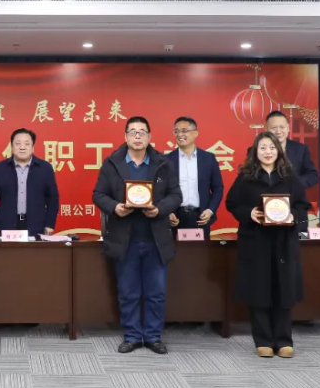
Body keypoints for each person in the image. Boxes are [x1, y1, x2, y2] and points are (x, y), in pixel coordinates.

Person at [93, 117, 182, 355]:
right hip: (125, 239)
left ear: (150, 137)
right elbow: (98, 194)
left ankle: (153, 336)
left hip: (156, 240)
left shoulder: (163, 163)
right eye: (132, 132)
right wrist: (115, 207)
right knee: (128, 292)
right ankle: (132, 336)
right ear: (125, 137)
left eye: (142, 131)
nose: (137, 136)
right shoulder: (111, 163)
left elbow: (176, 195)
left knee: (156, 293)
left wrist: (159, 209)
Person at [225, 132, 311, 359]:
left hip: (284, 242)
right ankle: (262, 340)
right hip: (256, 241)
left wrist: (293, 216)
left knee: (284, 290)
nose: (267, 152)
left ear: (278, 150)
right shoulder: (246, 177)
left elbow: (302, 206)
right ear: (256, 151)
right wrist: (248, 213)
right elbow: (231, 203)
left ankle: (284, 340)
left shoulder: (290, 176)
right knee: (258, 290)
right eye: (263, 148)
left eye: (271, 148)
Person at [0, 128, 60, 237]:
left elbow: (53, 199)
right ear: (12, 146)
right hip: (7, 225)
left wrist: (50, 224)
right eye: (18, 143)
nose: (22, 147)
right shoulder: (0, 168)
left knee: (35, 249)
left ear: (33, 147)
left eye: (27, 144)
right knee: (7, 249)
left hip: (36, 225)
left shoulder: (45, 168)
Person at [164, 116, 224, 240]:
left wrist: (210, 210)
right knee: (176, 252)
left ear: (195, 133)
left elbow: (218, 188)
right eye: (176, 131)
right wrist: (168, 212)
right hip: (176, 217)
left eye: (184, 131)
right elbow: (161, 191)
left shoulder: (208, 159)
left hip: (201, 217)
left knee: (201, 252)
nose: (179, 134)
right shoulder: (166, 160)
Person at [264, 111, 319, 189]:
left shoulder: (301, 149)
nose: (278, 131)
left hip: (294, 194)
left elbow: (312, 175)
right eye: (274, 128)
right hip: (266, 194)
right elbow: (249, 177)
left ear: (288, 128)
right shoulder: (256, 150)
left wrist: (295, 183)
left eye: (282, 127)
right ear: (266, 129)